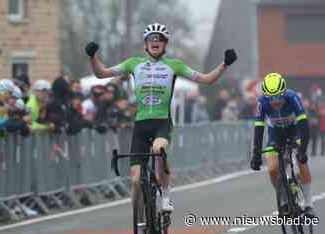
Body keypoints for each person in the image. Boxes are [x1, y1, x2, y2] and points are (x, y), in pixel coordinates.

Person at [85, 23, 237, 212]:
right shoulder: (134, 63)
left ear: (165, 44)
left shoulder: (174, 65)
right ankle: (140, 221)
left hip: (161, 123)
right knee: (134, 180)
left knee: (159, 150)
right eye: (151, 39)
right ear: (145, 44)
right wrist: (93, 57)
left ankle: (165, 193)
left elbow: (206, 79)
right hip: (140, 124)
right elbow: (102, 73)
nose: (155, 42)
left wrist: (224, 65)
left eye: (159, 39)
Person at [250, 73, 315, 217]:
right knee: (273, 169)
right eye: (271, 98)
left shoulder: (292, 97)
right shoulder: (262, 102)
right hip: (276, 134)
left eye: (279, 96)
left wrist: (302, 150)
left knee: (301, 160)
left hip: (295, 131)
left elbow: (304, 124)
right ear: (266, 96)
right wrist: (256, 153)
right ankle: (285, 202)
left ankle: (309, 205)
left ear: (284, 92)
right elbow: (259, 128)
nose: (276, 101)